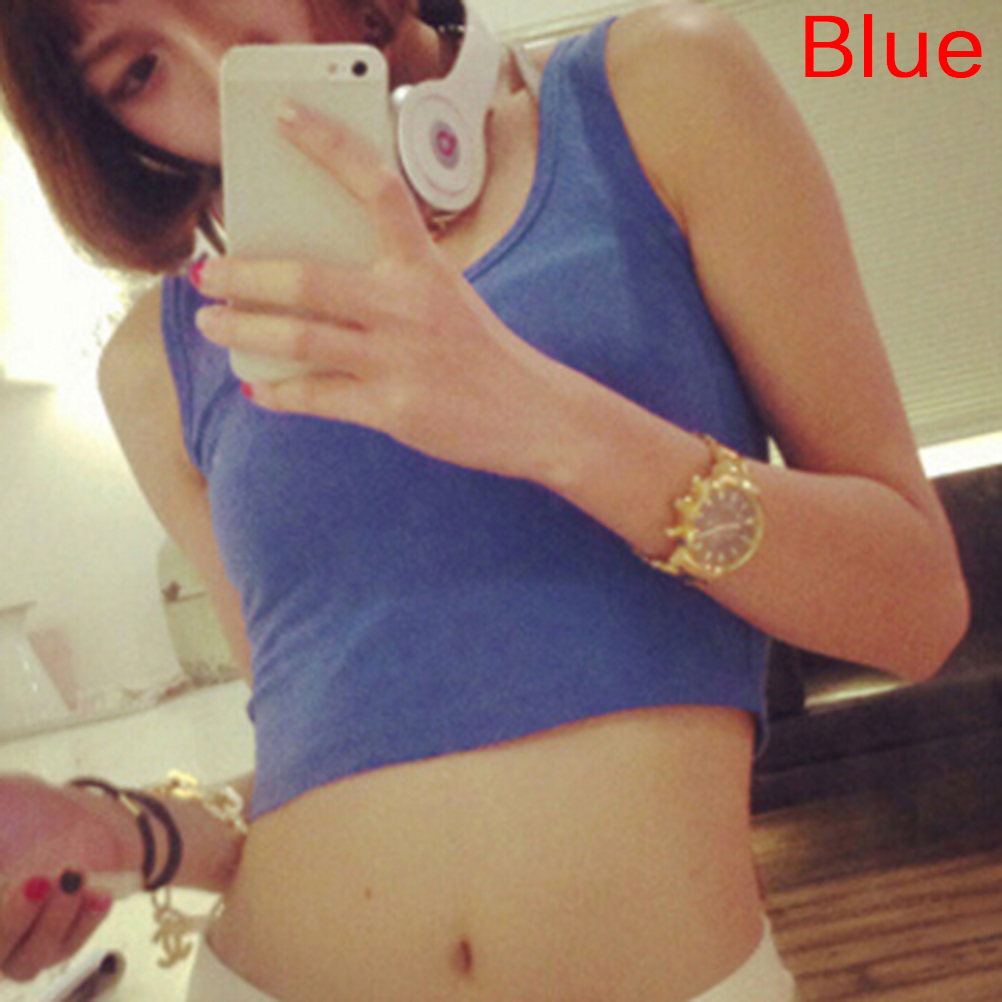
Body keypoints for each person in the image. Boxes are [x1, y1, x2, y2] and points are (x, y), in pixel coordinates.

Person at [0, 0, 969, 999]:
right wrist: (124, 831)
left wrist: (542, 417)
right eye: (136, 73)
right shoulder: (157, 365)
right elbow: (319, 756)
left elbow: (915, 609)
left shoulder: (658, 87)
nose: (219, 62)